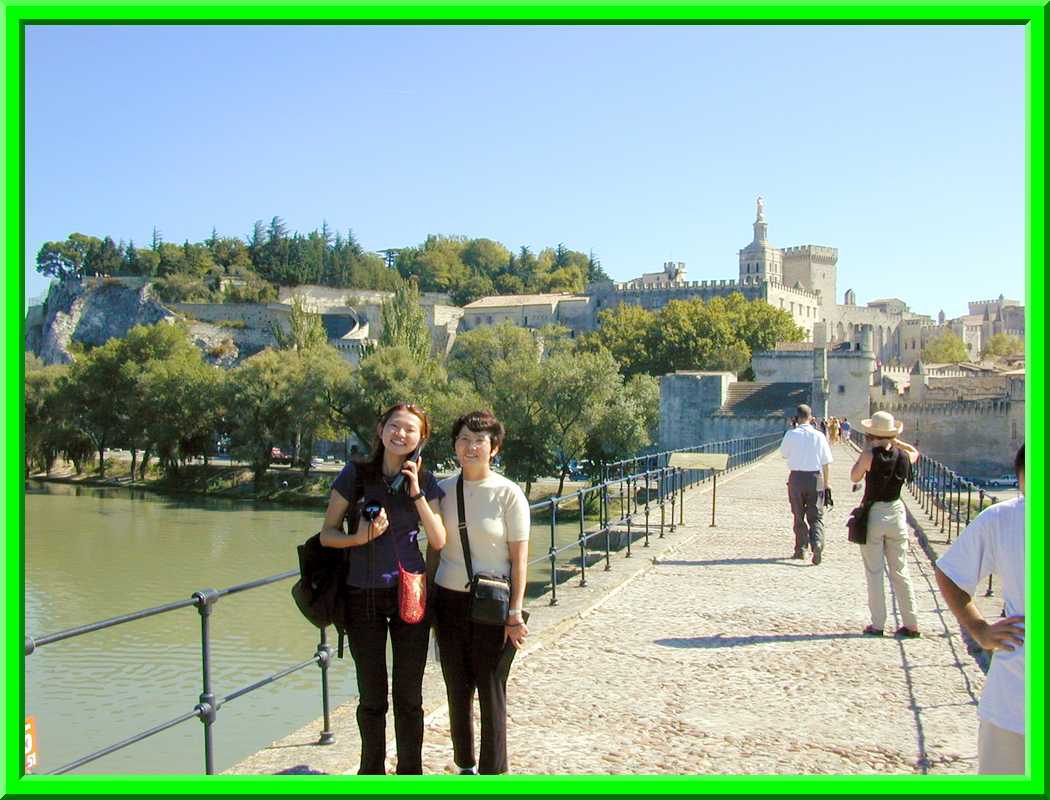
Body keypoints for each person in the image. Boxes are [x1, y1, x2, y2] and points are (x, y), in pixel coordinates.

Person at [318, 403, 447, 774]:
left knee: (409, 697)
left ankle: (410, 774)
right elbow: (327, 535)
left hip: (411, 592)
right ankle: (370, 772)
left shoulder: (427, 481)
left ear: (421, 440)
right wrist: (359, 537)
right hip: (363, 594)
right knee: (372, 696)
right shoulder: (354, 475)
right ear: (380, 429)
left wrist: (417, 490)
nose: (400, 434)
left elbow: (438, 540)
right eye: (394, 426)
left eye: (410, 430)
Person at [434, 410, 531, 774]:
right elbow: (432, 548)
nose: (470, 447)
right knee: (456, 688)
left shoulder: (509, 494)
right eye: (463, 439)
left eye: (479, 441)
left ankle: (494, 770)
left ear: (494, 448)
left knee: (491, 688)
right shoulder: (442, 490)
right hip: (448, 599)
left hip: (493, 603)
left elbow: (519, 559)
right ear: (454, 446)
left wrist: (515, 612)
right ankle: (464, 765)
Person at [935, 444, 1025, 774]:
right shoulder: (1005, 519)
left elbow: (949, 572)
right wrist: (980, 630)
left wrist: (980, 631)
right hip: (1014, 702)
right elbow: (949, 572)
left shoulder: (1005, 517)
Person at [849, 411, 921, 638]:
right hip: (897, 512)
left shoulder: (870, 455)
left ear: (871, 434)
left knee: (875, 571)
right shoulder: (903, 456)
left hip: (875, 513)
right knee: (900, 570)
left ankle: (878, 624)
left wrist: (867, 450)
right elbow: (915, 452)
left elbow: (854, 476)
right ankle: (911, 624)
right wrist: (894, 440)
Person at [779, 404, 833, 564]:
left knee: (798, 513)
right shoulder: (819, 436)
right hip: (815, 478)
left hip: (796, 478)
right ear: (811, 418)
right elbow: (826, 462)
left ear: (796, 417)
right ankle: (817, 543)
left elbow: (783, 454)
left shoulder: (791, 434)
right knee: (816, 515)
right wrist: (826, 483)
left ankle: (801, 548)